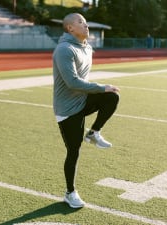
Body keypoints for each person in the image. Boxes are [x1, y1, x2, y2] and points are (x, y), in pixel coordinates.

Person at [52, 13, 120, 208]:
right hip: (67, 108)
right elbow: (72, 83)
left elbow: (82, 82)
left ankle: (93, 133)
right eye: (80, 22)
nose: (86, 25)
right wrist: (101, 87)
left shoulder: (87, 47)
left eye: (86, 21)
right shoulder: (64, 50)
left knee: (112, 97)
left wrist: (102, 90)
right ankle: (70, 193)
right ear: (70, 28)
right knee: (73, 151)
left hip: (82, 100)